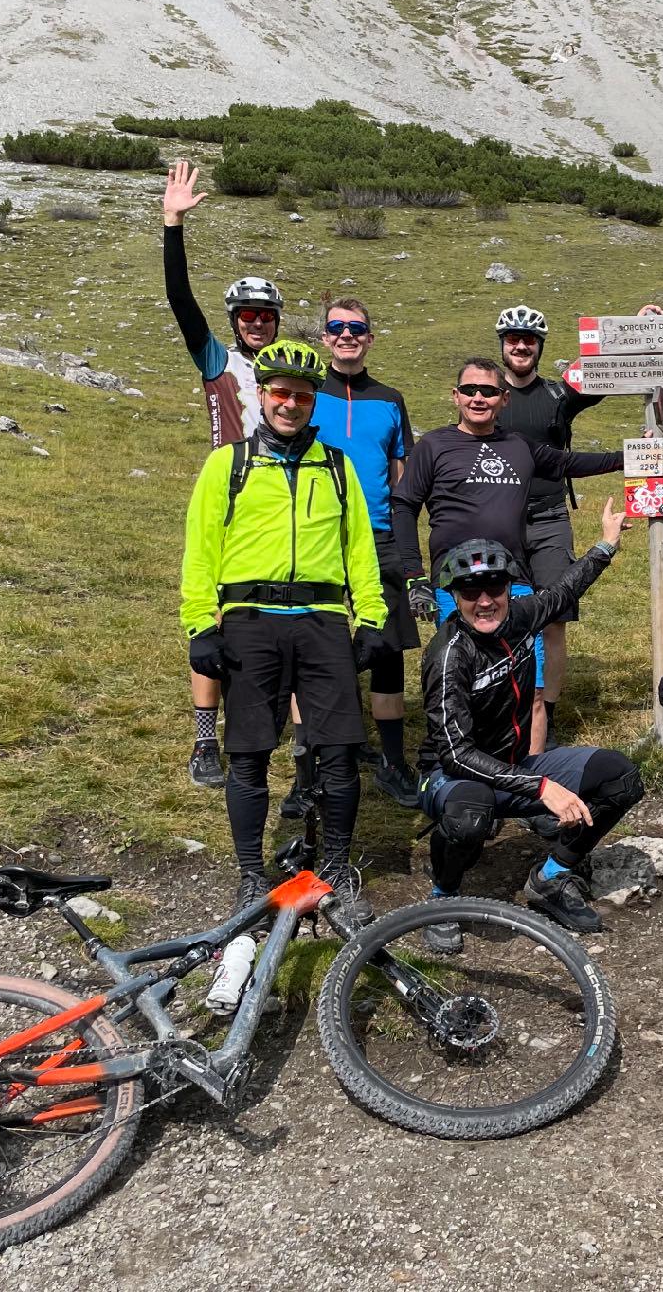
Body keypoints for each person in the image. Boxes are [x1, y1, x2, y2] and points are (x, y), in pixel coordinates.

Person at [180, 339, 392, 919]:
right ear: (262, 394)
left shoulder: (337, 467)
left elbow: (360, 550)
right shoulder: (228, 465)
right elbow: (200, 551)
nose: (290, 404)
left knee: (339, 753)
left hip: (323, 620)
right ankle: (252, 876)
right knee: (249, 755)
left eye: (302, 396)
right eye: (280, 393)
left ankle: (335, 870)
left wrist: (371, 618)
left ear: (313, 402)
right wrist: (201, 625)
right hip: (249, 620)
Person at [416, 502, 645, 949]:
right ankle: (442, 898)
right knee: (470, 815)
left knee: (620, 777)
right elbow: (456, 754)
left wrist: (606, 545)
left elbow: (563, 591)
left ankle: (551, 878)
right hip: (450, 776)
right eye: (470, 590)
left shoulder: (520, 616)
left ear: (508, 588)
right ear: (454, 596)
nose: (485, 601)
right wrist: (541, 787)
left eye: (494, 587)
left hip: (517, 765)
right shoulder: (448, 657)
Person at [162, 158, 283, 789]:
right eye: (247, 315)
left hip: (283, 499)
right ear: (234, 320)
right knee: (210, 611)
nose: (256, 322)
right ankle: (205, 739)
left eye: (265, 315)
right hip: (228, 492)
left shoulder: (293, 370)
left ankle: (285, 727)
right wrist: (173, 225)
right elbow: (180, 301)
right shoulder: (217, 359)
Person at [290, 295, 423, 808]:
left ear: (370, 337)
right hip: (318, 533)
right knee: (311, 643)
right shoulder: (308, 392)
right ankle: (308, 770)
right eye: (337, 327)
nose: (347, 335)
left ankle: (391, 761)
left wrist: (402, 538)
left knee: (386, 647)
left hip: (379, 535)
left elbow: (400, 474)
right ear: (325, 337)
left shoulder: (390, 399)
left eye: (357, 328)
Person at [392, 355, 623, 630]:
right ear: (456, 396)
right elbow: (404, 507)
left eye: (488, 391)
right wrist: (414, 576)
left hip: (513, 581)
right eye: (469, 390)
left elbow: (569, 463)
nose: (478, 398)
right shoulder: (433, 445)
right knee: (460, 656)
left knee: (523, 656)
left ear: (505, 399)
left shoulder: (518, 445)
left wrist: (632, 457)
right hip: (454, 583)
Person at [490, 304, 608, 750]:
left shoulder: (559, 394)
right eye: (513, 339)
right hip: (499, 518)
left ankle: (548, 716)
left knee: (554, 619)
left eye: (529, 340)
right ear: (502, 345)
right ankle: (504, 707)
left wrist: (634, 327)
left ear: (540, 346)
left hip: (550, 517)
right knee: (498, 614)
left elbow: (604, 372)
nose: (521, 346)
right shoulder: (488, 395)